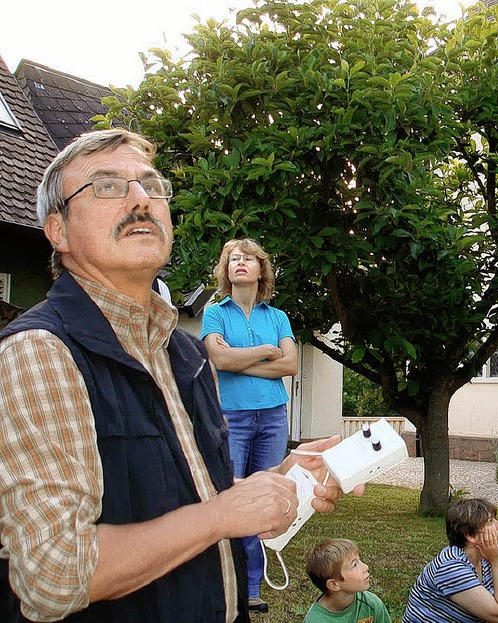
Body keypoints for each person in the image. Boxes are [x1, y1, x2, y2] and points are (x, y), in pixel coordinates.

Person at [0, 129, 362, 623]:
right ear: (58, 230)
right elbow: (55, 574)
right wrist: (222, 516)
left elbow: (180, 491)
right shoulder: (39, 353)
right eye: (108, 186)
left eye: (153, 186)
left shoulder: (184, 354)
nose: (140, 198)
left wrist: (282, 479)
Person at [201, 237, 297, 612]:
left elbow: (290, 366)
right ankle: (225, 577)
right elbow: (218, 360)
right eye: (233, 259)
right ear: (226, 270)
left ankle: (252, 586)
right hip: (232, 418)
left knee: (265, 496)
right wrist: (265, 352)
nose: (240, 263)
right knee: (232, 496)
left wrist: (239, 359)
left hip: (273, 417)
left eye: (248, 259)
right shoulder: (215, 311)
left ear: (261, 270)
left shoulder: (277, 316)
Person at [403, 498, 498, 623]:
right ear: (470, 535)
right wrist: (496, 562)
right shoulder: (451, 567)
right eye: (490, 521)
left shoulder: (485, 559)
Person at [304, 538, 392, 623]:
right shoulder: (316, 620)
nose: (366, 567)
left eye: (359, 561)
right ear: (334, 584)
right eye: (354, 565)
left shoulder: (371, 604)